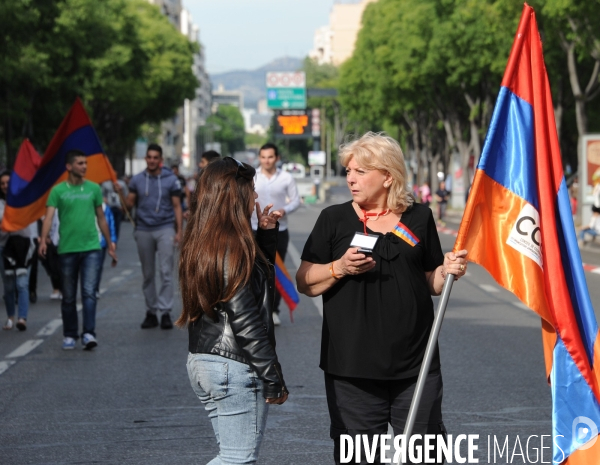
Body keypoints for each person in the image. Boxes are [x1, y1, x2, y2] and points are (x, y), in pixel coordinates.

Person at [296, 132, 468, 464]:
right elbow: (305, 282)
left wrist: (446, 271)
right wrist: (339, 267)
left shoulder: (419, 217)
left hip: (417, 364)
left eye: (360, 171)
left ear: (388, 176)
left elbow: (429, 281)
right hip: (352, 368)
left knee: (426, 456)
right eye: (348, 171)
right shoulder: (334, 219)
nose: (350, 178)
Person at [177, 157, 288, 464]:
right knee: (238, 459)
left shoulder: (204, 240)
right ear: (234, 195)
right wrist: (272, 375)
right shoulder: (233, 247)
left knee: (233, 455)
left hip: (204, 360)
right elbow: (246, 318)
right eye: (250, 189)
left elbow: (250, 284)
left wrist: (265, 236)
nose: (255, 196)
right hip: (234, 365)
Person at [39, 149, 118, 350]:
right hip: (66, 249)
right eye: (80, 163)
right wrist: (43, 239)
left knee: (89, 292)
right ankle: (70, 334)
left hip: (92, 247)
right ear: (69, 166)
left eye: (85, 163)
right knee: (68, 295)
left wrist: (109, 244)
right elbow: (48, 217)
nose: (84, 166)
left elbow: (101, 217)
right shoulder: (57, 191)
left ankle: (89, 333)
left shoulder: (93, 189)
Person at [120, 143, 182, 330]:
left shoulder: (171, 179)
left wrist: (179, 231)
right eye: (149, 157)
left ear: (161, 160)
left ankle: (165, 311)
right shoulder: (137, 180)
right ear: (146, 159)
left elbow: (177, 206)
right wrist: (120, 192)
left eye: (156, 157)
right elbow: (128, 206)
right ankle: (151, 311)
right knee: (148, 274)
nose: (152, 160)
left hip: (165, 228)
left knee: (166, 272)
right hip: (143, 229)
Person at [251, 142, 300, 325]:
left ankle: (273, 309)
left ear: (277, 158)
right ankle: (255, 308)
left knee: (274, 269)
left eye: (270, 157)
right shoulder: (253, 176)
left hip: (279, 230)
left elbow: (296, 201)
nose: (266, 160)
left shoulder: (286, 178)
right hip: (255, 228)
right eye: (263, 157)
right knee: (254, 270)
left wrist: (283, 211)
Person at [94, 199, 117, 298]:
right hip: (86, 242)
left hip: (101, 242)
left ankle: (94, 288)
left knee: (98, 267)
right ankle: (88, 288)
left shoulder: (105, 208)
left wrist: (112, 240)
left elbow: (110, 223)